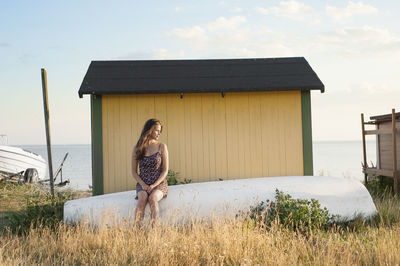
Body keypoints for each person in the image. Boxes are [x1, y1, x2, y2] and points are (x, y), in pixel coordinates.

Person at [132, 118, 169, 227]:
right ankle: (137, 231)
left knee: (153, 198)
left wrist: (154, 185)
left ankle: (154, 232)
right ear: (149, 130)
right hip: (143, 183)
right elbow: (134, 172)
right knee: (142, 198)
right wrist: (143, 185)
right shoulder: (137, 148)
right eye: (157, 130)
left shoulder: (162, 146)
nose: (159, 133)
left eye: (160, 130)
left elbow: (165, 170)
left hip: (159, 183)